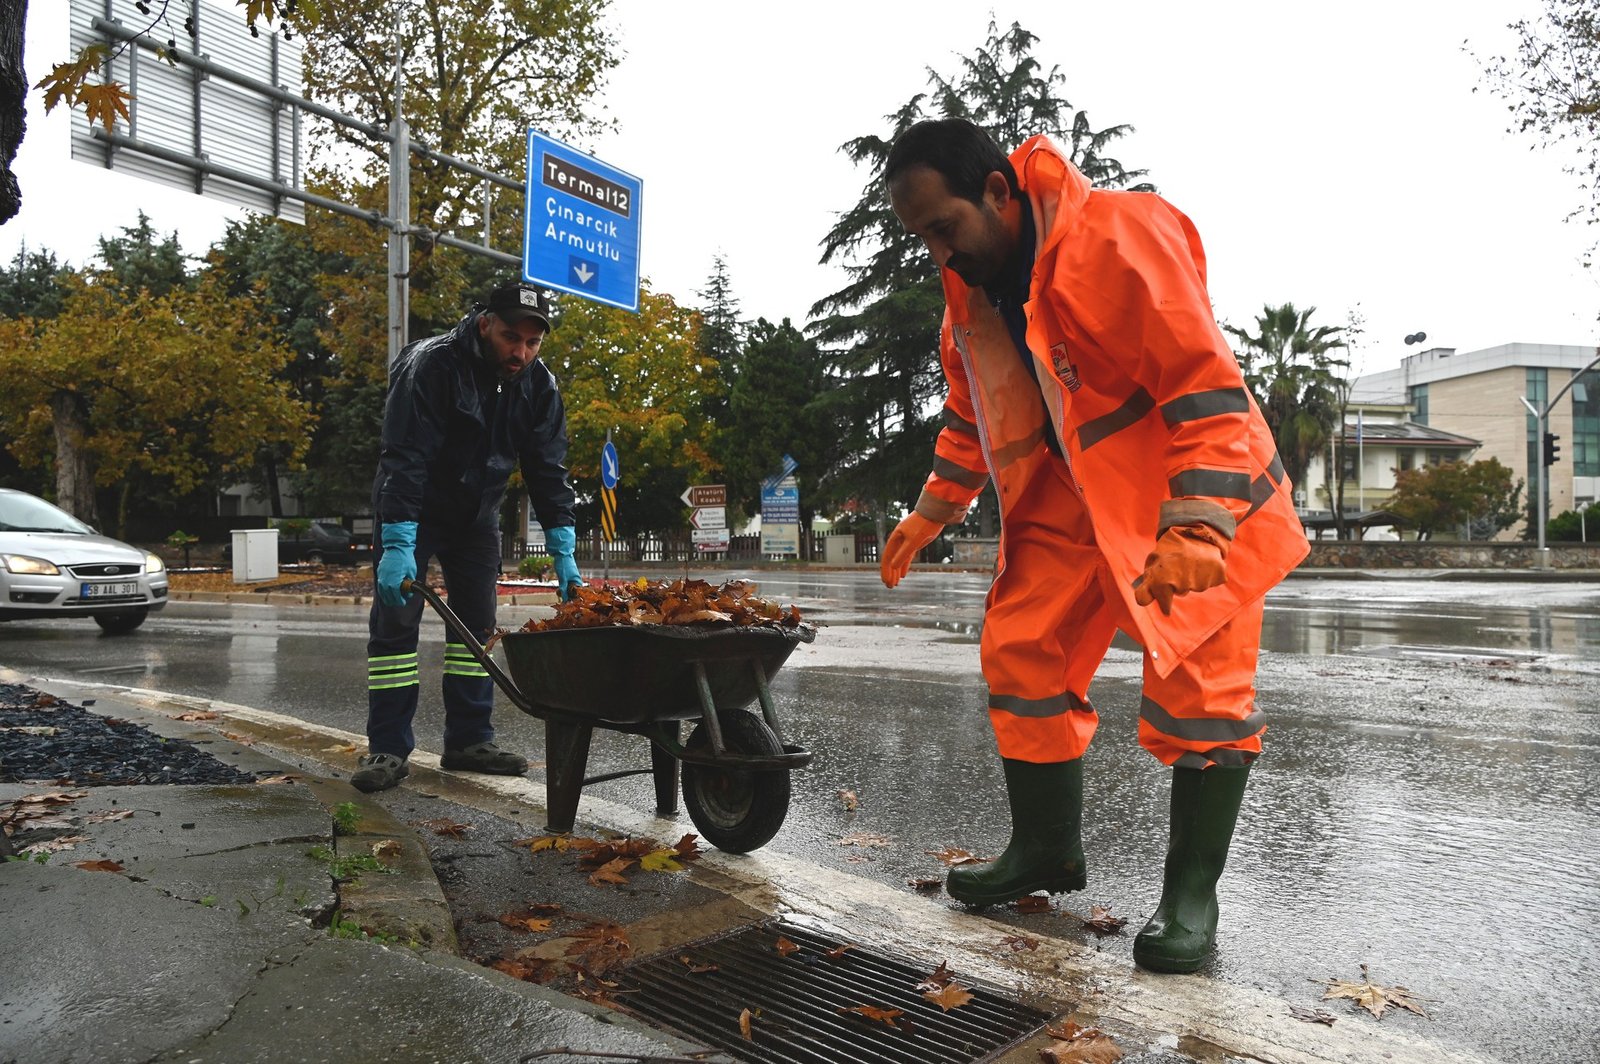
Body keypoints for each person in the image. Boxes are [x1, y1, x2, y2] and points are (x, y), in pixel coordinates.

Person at [881, 118, 1309, 973]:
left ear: (996, 191)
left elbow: (1203, 382)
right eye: (922, 237)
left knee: (1202, 695)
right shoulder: (968, 302)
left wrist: (1199, 523)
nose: (939, 253)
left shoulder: (1118, 236)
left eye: (944, 227)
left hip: (1192, 493)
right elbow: (973, 416)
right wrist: (931, 511)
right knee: (1021, 649)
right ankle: (1045, 849)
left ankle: (1190, 897)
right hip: (1071, 499)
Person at [352, 280, 581, 794]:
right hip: (413, 511)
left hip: (477, 517)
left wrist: (563, 552)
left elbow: (548, 470)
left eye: (532, 342)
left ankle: (469, 740)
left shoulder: (539, 386)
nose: (521, 353)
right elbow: (405, 456)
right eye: (510, 338)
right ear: (484, 325)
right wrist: (398, 543)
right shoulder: (432, 366)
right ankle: (387, 747)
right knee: (395, 627)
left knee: (477, 629)